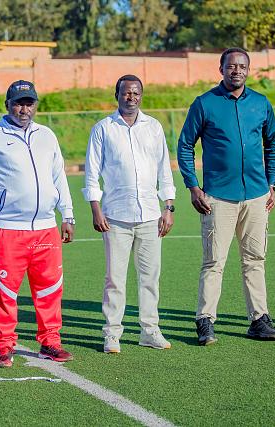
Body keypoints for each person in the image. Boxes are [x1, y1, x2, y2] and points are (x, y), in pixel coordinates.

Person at [177, 48, 275, 345]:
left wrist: (271, 183)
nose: (237, 70)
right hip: (218, 198)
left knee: (255, 259)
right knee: (214, 262)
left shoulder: (261, 103)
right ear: (221, 69)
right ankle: (205, 321)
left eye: (242, 66)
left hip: (257, 196)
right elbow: (185, 145)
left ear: (248, 70)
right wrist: (193, 187)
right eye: (231, 66)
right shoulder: (204, 103)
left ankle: (259, 320)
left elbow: (273, 144)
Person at [0, 80, 75, 368]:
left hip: (46, 228)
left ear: (36, 105)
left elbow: (59, 176)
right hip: (7, 228)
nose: (24, 109)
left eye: (29, 103)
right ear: (8, 105)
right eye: (18, 103)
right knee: (5, 293)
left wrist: (67, 215)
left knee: (50, 289)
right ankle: (4, 346)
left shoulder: (47, 136)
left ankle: (50, 342)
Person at [83, 75, 176, 353]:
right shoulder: (103, 129)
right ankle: (112, 333)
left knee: (150, 278)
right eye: (126, 93)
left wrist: (168, 207)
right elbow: (92, 173)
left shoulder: (154, 127)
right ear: (117, 95)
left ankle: (150, 331)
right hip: (115, 217)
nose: (131, 97)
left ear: (141, 96)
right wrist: (96, 209)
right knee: (115, 279)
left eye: (136, 93)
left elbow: (164, 170)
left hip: (150, 216)